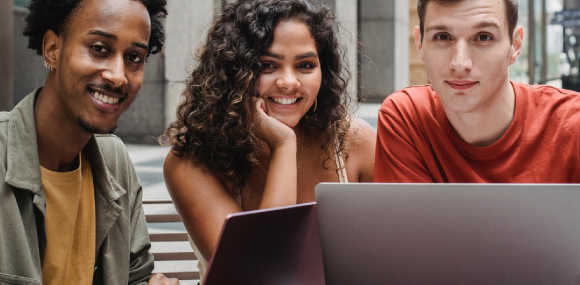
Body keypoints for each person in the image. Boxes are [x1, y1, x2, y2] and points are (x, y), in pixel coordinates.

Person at [161, 0, 375, 281]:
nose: (289, 82)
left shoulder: (353, 142)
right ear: (233, 72)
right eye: (267, 65)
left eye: (306, 65)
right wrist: (283, 145)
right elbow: (261, 276)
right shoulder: (192, 163)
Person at [0, 0, 179, 284]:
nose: (118, 76)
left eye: (134, 57)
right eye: (99, 49)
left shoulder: (114, 161)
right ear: (52, 49)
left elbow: (136, 274)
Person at [375, 0, 580, 183]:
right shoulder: (407, 118)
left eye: (483, 37)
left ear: (515, 46)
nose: (460, 63)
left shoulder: (572, 124)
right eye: (442, 36)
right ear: (420, 44)